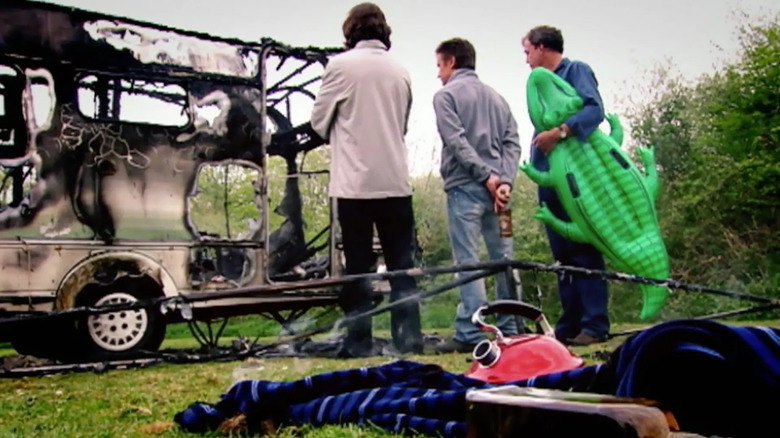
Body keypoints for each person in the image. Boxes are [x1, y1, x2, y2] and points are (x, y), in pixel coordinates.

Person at [309, 3, 423, 358]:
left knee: (358, 267)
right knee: (402, 265)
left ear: (350, 31)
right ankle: (409, 338)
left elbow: (318, 122)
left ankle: (359, 341)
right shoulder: (401, 71)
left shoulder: (340, 67)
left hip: (355, 184)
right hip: (395, 181)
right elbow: (400, 126)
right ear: (384, 32)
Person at [432, 38, 522, 354]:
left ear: (452, 62)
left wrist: (486, 177)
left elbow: (456, 141)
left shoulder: (445, 97)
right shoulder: (498, 99)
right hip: (501, 196)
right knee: (504, 259)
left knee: (468, 260)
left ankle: (473, 331)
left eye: (440, 66)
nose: (439, 74)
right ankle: (511, 326)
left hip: (465, 188)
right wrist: (505, 181)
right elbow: (513, 143)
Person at [522, 25, 609, 346]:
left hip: (577, 178)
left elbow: (594, 109)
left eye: (528, 52)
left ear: (543, 48)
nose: (527, 60)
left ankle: (595, 324)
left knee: (583, 249)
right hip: (550, 177)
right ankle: (569, 324)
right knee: (562, 254)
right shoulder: (538, 85)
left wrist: (559, 132)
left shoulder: (576, 71)